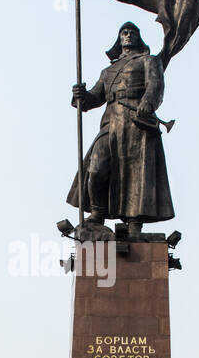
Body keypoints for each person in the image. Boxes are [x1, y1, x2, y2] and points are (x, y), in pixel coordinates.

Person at [66, 22, 175, 236]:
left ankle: (134, 220)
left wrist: (148, 103)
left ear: (139, 38)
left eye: (132, 32)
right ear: (119, 39)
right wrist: (81, 95)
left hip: (136, 120)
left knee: (136, 172)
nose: (128, 35)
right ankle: (97, 213)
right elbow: (94, 99)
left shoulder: (149, 60)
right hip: (111, 122)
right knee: (96, 168)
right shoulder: (108, 71)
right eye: (124, 33)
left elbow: (156, 85)